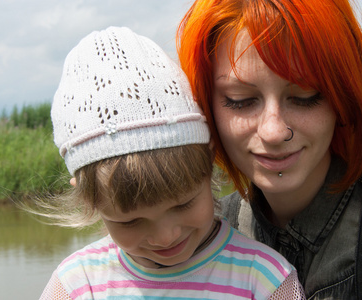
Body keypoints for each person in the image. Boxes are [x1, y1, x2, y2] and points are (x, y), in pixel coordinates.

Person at [37, 26, 306, 299]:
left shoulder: (264, 279)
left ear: (209, 160)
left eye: (183, 204)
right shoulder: (76, 284)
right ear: (88, 199)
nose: (165, 237)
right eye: (130, 222)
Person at [176, 0, 362, 299]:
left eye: (305, 95)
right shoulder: (205, 231)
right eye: (239, 99)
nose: (274, 131)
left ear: (343, 95)